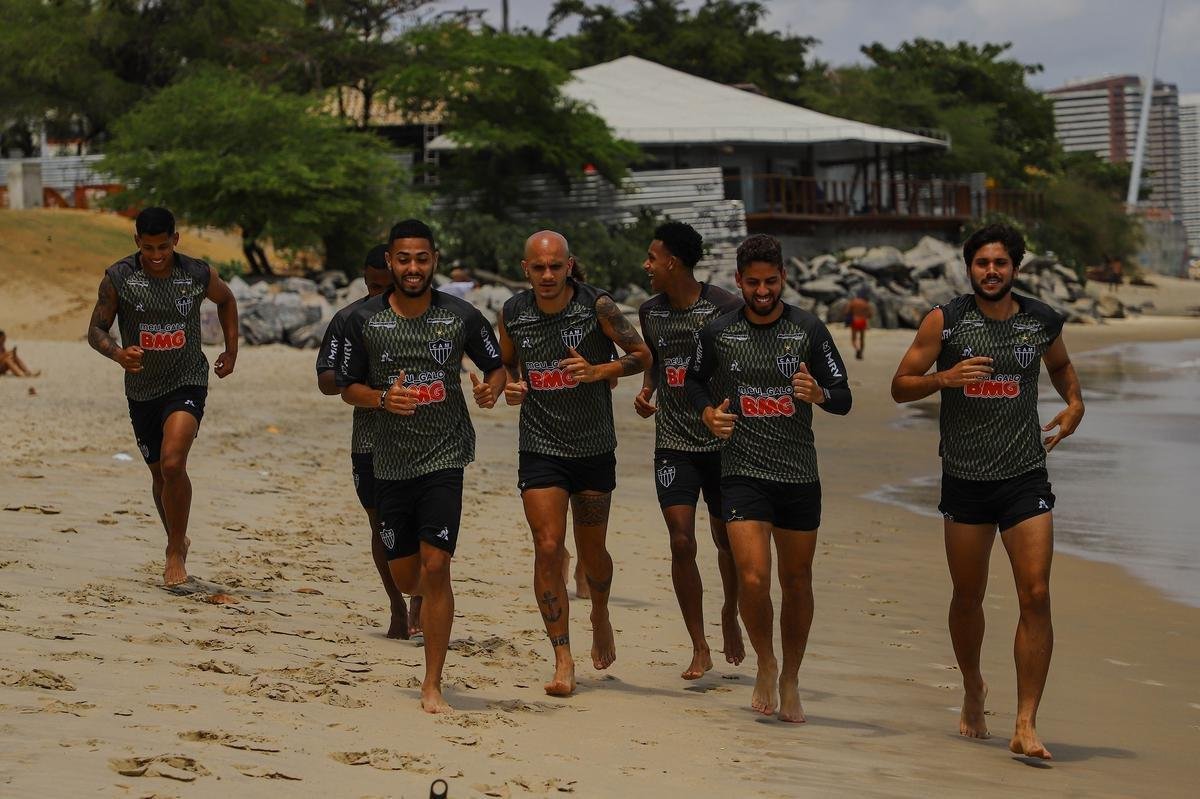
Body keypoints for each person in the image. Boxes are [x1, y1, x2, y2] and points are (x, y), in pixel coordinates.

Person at [890, 223, 1084, 760]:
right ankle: (974, 686)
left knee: (1036, 594)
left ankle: (1025, 722)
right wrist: (943, 380)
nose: (991, 272)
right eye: (982, 264)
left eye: (1000, 263)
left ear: (1015, 267)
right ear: (969, 267)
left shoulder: (1040, 320)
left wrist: (1074, 404)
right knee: (967, 596)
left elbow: (1063, 366)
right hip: (966, 480)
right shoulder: (946, 321)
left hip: (1025, 476)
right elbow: (900, 385)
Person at [337, 219, 506, 713]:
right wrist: (382, 397)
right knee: (409, 577)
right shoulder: (364, 319)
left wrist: (490, 389)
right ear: (389, 262)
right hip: (388, 460)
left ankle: (432, 683)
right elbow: (345, 387)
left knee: (437, 569)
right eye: (404, 259)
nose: (413, 268)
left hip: (445, 454)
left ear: (433, 260)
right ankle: (411, 605)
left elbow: (495, 367)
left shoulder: (462, 316)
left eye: (422, 259)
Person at [685, 234, 852, 722]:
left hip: (799, 475)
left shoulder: (808, 330)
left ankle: (791, 676)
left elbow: (844, 396)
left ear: (784, 279)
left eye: (771, 282)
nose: (762, 291)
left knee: (796, 581)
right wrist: (707, 414)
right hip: (742, 473)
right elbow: (693, 381)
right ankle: (765, 661)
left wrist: (819, 393)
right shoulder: (719, 332)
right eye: (753, 282)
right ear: (738, 281)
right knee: (754, 578)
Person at [497, 230, 652, 697]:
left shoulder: (596, 307)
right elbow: (506, 366)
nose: (547, 275)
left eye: (555, 267)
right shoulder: (512, 312)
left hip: (593, 448)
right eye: (538, 267)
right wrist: (510, 386)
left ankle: (600, 613)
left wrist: (598, 371)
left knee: (592, 554)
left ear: (569, 266)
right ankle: (562, 657)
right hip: (540, 446)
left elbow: (643, 355)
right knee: (548, 547)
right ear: (525, 269)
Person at [86, 207, 239, 586]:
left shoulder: (197, 273)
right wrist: (118, 353)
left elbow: (227, 300)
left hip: (187, 380)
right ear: (137, 242)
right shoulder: (119, 277)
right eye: (149, 248)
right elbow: (96, 329)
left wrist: (232, 350)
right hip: (141, 389)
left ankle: (174, 550)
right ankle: (176, 535)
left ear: (176, 240)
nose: (156, 256)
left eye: (163, 247)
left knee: (173, 464)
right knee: (159, 474)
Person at [634, 221, 745, 679]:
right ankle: (699, 645)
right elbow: (656, 363)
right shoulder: (650, 312)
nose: (646, 265)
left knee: (727, 541)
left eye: (652, 257)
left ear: (672, 262)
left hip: (723, 443)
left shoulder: (725, 309)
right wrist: (647, 391)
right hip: (673, 443)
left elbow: (744, 369)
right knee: (681, 539)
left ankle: (730, 613)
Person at [316, 244, 421, 639]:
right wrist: (352, 375)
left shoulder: (425, 315)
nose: (378, 295)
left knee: (425, 524)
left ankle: (421, 599)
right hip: (371, 441)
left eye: (386, 286)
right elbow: (326, 381)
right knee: (382, 528)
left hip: (423, 437)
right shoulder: (349, 320)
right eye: (372, 286)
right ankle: (396, 603)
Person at [846, 291, 872, 360]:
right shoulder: (865, 303)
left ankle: (857, 349)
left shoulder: (853, 302)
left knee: (854, 339)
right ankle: (861, 352)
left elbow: (847, 311)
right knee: (862, 339)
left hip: (855, 321)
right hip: (863, 321)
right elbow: (870, 314)